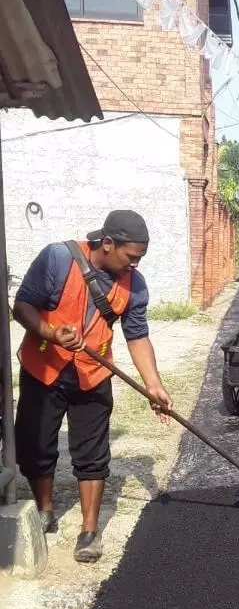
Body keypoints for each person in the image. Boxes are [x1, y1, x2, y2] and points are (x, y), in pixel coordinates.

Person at [13, 210, 172, 563]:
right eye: (131, 257)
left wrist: (154, 385)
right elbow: (22, 306)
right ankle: (45, 510)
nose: (135, 265)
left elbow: (138, 336)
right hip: (44, 369)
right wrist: (52, 333)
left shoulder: (135, 285)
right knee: (35, 444)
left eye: (140, 259)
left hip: (93, 374)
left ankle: (88, 531)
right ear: (109, 243)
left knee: (92, 454)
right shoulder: (57, 258)